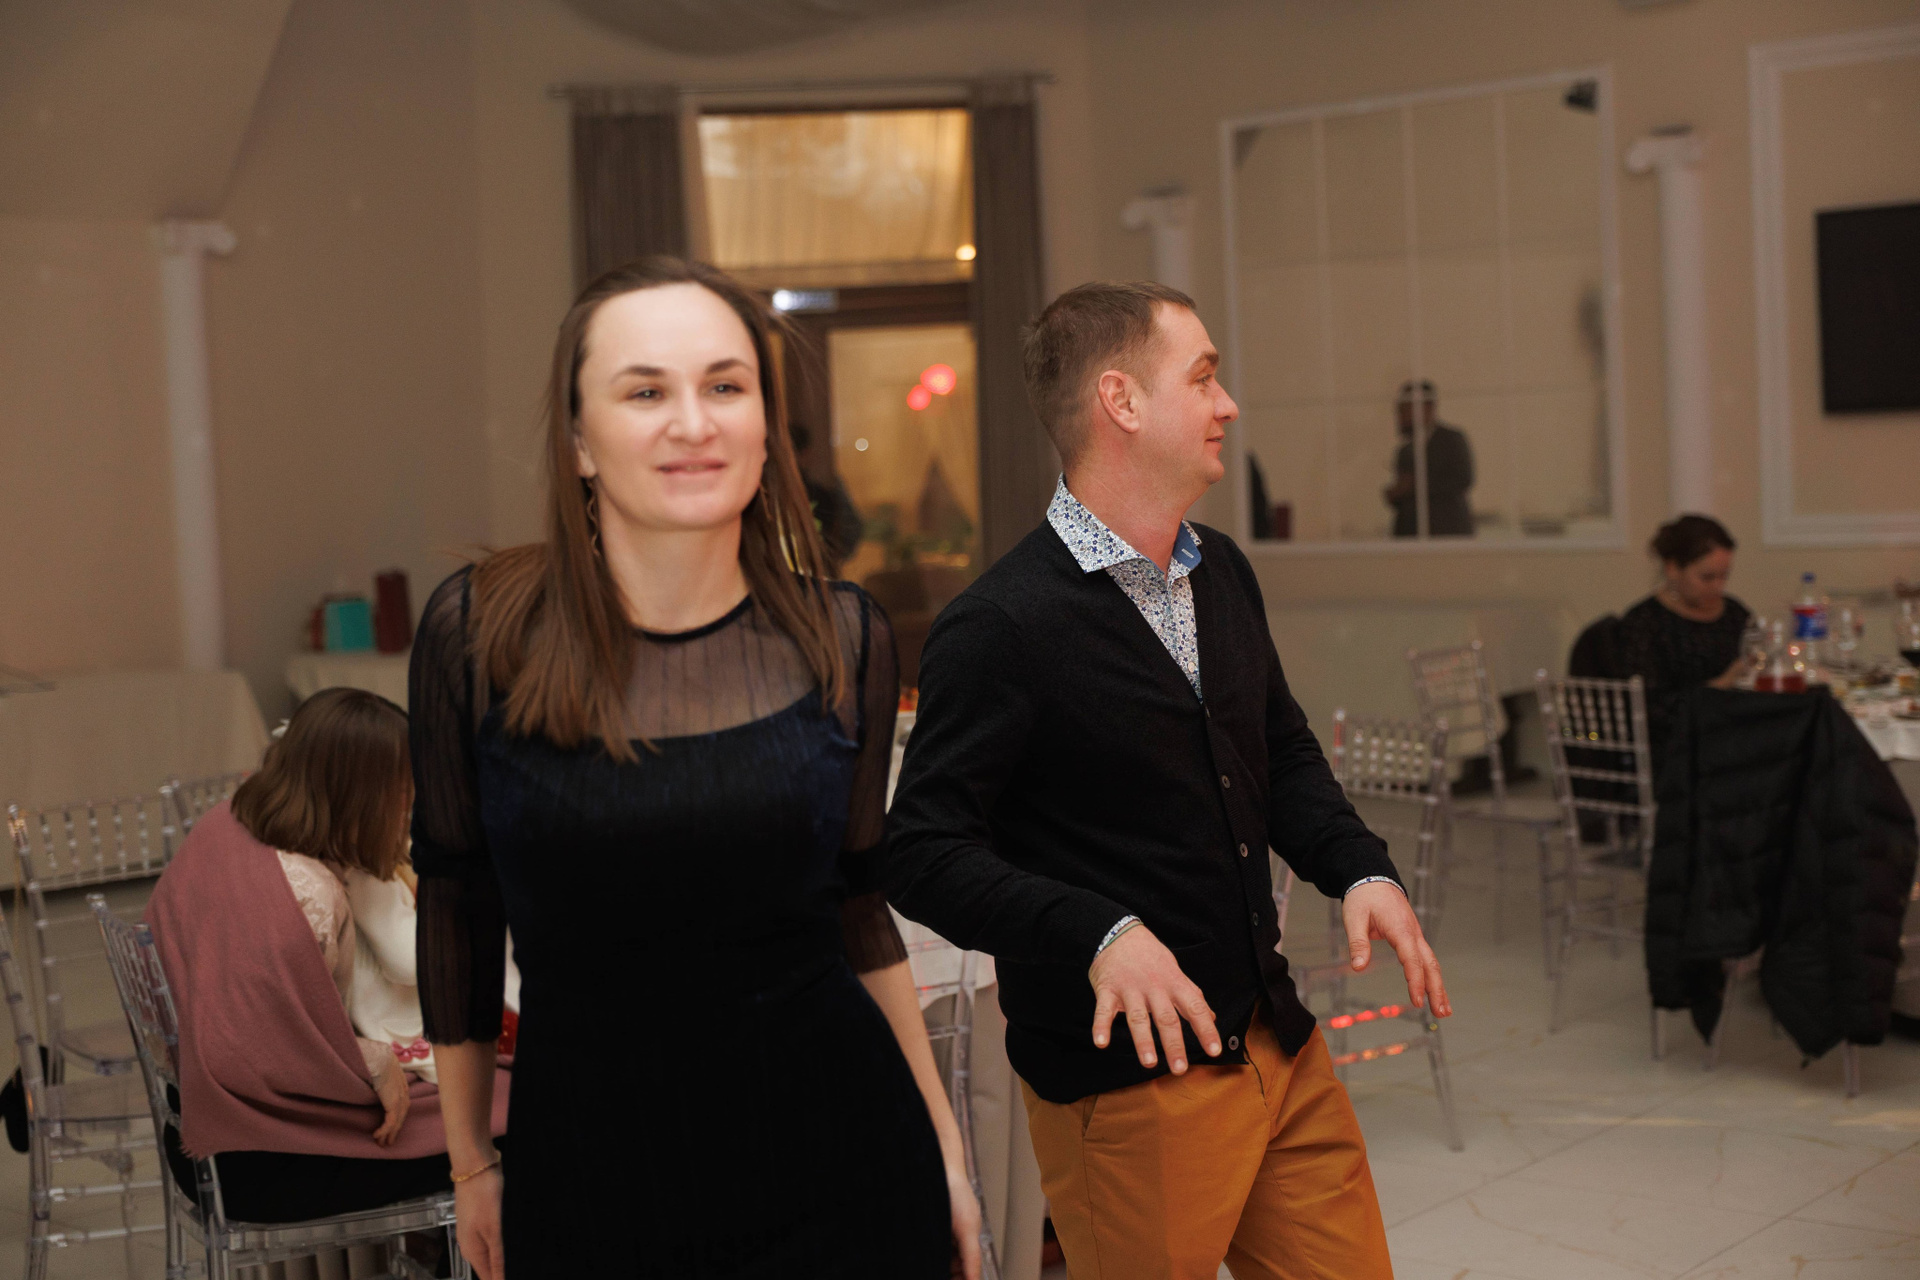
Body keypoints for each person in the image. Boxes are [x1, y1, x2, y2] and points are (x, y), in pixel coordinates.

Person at [411, 256, 979, 1279]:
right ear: (578, 441)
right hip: (594, 1183)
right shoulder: (480, 637)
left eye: (725, 385)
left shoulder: (840, 636)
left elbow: (859, 907)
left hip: (846, 1169)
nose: (693, 422)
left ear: (766, 425)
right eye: (645, 392)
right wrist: (470, 1161)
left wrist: (946, 1149)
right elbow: (457, 906)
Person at [887, 281, 1449, 1280]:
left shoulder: (1220, 569)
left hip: (1277, 1046)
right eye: (1203, 377)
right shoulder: (1001, 624)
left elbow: (1278, 750)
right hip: (1130, 1089)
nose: (1227, 403)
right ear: (1123, 400)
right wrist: (1097, 931)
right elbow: (923, 854)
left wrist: (1358, 868)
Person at [145, 688, 511, 1223]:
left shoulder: (227, 821)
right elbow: (256, 1045)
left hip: (202, 1121)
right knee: (499, 1122)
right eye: (401, 796)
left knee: (479, 1095)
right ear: (360, 796)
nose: (407, 809)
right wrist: (373, 1061)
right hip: (261, 1160)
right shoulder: (309, 895)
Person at [1613, 514, 1751, 749]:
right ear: (1673, 568)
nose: (1718, 586)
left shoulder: (1734, 613)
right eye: (1707, 577)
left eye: (1724, 576)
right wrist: (1723, 684)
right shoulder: (1644, 623)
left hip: (1731, 733)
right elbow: (1650, 710)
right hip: (1677, 747)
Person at [1383, 379, 1475, 537]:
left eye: (1406, 408)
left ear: (1427, 407)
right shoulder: (1405, 450)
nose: (1401, 415)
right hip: (1410, 535)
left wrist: (1412, 485)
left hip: (1447, 532)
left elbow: (1463, 478)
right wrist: (1395, 494)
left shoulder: (1451, 439)